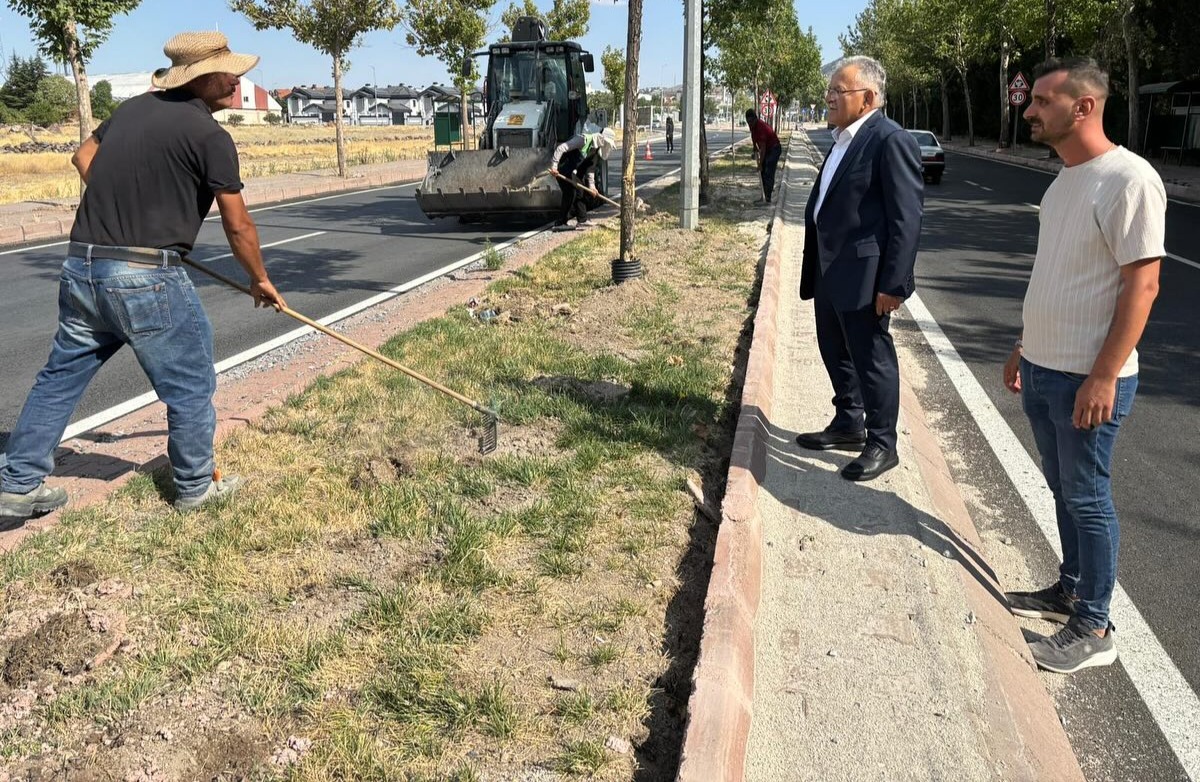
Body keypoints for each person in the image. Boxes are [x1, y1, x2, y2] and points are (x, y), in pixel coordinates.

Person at [0, 31, 286, 520]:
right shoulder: (210, 136)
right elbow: (238, 223)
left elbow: (82, 156)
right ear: (199, 79)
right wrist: (258, 278)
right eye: (229, 71)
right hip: (145, 276)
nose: (238, 79)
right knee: (191, 383)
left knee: (60, 378)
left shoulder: (132, 110)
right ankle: (196, 486)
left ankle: (16, 485)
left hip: (83, 267)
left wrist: (120, 207)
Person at [1002, 58, 1163, 674]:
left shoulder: (1129, 179)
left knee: (1089, 497)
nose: (1029, 110)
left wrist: (1103, 375)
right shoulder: (1064, 180)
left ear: (1083, 107)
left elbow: (1140, 288)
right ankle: (1069, 588)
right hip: (1045, 366)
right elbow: (1056, 277)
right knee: (1063, 490)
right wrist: (1025, 344)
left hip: (1087, 378)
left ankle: (1095, 625)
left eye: (1042, 100)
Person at [795, 55, 923, 482]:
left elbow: (906, 218)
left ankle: (883, 442)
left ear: (867, 98)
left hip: (867, 279)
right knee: (834, 350)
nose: (829, 97)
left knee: (872, 359)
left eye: (838, 91)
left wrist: (894, 283)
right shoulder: (842, 139)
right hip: (832, 271)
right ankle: (849, 422)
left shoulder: (889, 140)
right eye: (829, 90)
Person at [549, 127, 615, 230]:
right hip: (562, 168)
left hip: (573, 172)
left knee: (580, 192)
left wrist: (592, 187)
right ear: (602, 139)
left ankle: (582, 220)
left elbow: (590, 170)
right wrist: (554, 166)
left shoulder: (596, 150)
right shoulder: (583, 140)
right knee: (570, 193)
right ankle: (560, 223)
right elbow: (561, 148)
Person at [746, 109, 781, 205]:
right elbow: (754, 138)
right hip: (767, 149)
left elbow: (763, 148)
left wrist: (760, 164)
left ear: (755, 119)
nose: (750, 124)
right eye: (748, 122)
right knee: (762, 172)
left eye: (751, 122)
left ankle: (768, 198)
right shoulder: (752, 127)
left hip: (774, 149)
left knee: (768, 171)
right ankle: (764, 196)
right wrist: (754, 149)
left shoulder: (760, 127)